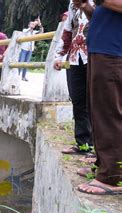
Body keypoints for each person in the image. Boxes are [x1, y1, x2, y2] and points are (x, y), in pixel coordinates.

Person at [75, 0, 122, 195]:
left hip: (114, 52)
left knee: (110, 113)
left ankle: (112, 176)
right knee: (98, 111)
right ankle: (104, 165)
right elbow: (103, 16)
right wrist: (86, 6)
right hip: (102, 51)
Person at [54, 1, 94, 160]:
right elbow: (68, 29)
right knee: (78, 101)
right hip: (75, 57)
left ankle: (97, 149)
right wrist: (59, 55)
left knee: (96, 102)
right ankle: (83, 144)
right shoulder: (73, 2)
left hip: (96, 54)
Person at [18, 17, 44, 81]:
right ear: (28, 25)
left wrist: (39, 24)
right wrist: (31, 26)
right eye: (31, 24)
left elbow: (41, 32)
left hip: (30, 50)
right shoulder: (25, 30)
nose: (33, 25)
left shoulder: (34, 32)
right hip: (23, 49)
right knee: (20, 63)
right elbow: (27, 31)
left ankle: (23, 77)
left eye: (33, 24)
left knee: (27, 64)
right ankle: (17, 75)